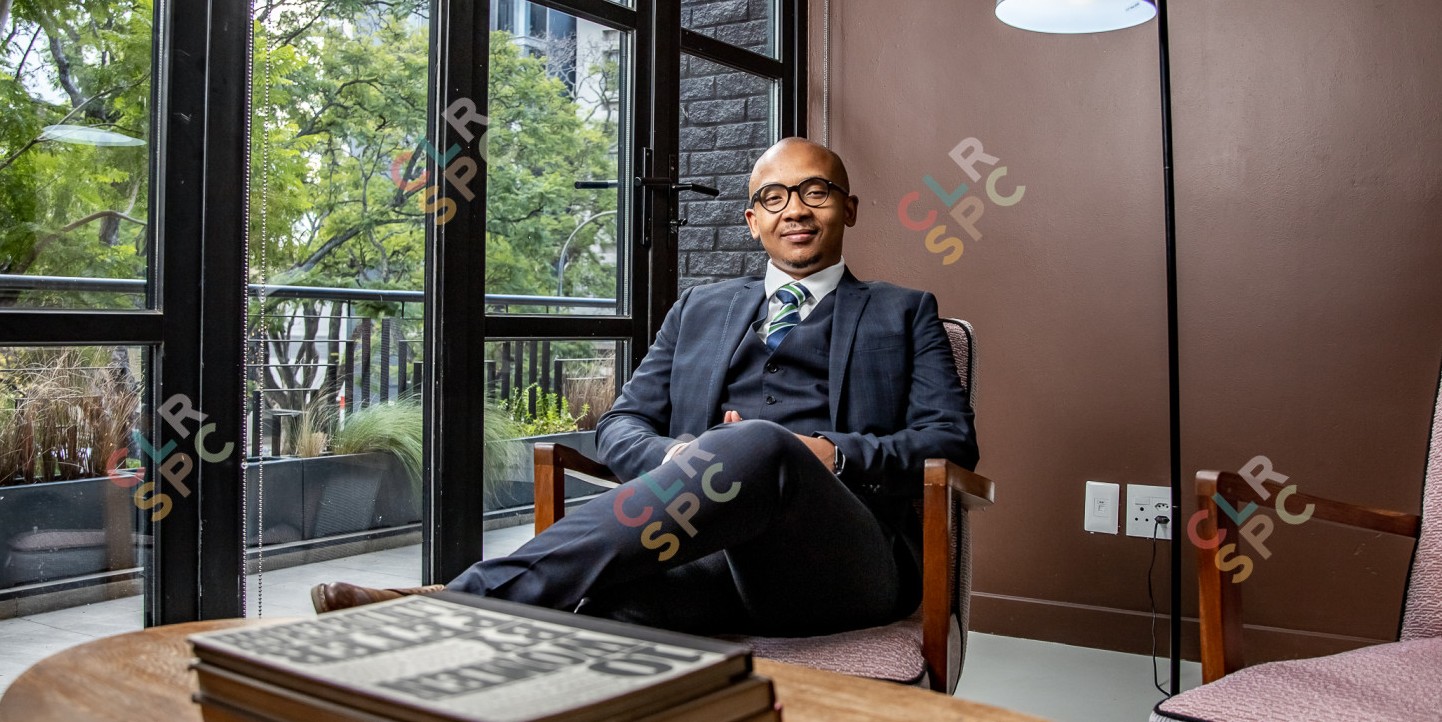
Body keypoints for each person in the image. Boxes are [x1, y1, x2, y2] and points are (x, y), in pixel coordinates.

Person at [310, 137, 977, 637]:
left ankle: (454, 599)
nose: (794, 211)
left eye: (815, 192)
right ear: (752, 220)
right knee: (596, 613)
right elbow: (620, 424)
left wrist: (830, 453)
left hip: (842, 566)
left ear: (848, 209)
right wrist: (673, 459)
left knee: (764, 446)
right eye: (773, 198)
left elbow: (951, 440)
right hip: (703, 554)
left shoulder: (903, 310)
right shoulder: (700, 309)